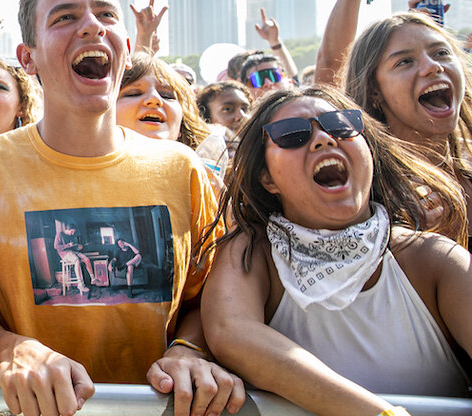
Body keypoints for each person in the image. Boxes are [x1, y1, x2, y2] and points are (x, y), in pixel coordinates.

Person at [0, 0, 240, 416]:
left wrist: (188, 349)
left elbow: (213, 298)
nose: (90, 28)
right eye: (65, 18)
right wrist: (11, 347)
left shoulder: (183, 171)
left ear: (124, 42)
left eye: (105, 16)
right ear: (29, 57)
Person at [201, 86, 472, 415]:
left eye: (341, 125)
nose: (323, 139)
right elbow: (232, 333)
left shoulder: (433, 260)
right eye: (291, 134)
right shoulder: (252, 254)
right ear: (266, 178)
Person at [344, 11, 472, 244]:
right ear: (374, 90)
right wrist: (413, 241)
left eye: (442, 53)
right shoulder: (368, 194)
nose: (432, 67)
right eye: (405, 61)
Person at [116, 53, 209, 149]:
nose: (154, 99)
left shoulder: (200, 163)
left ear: (181, 125)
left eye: (167, 96)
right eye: (134, 94)